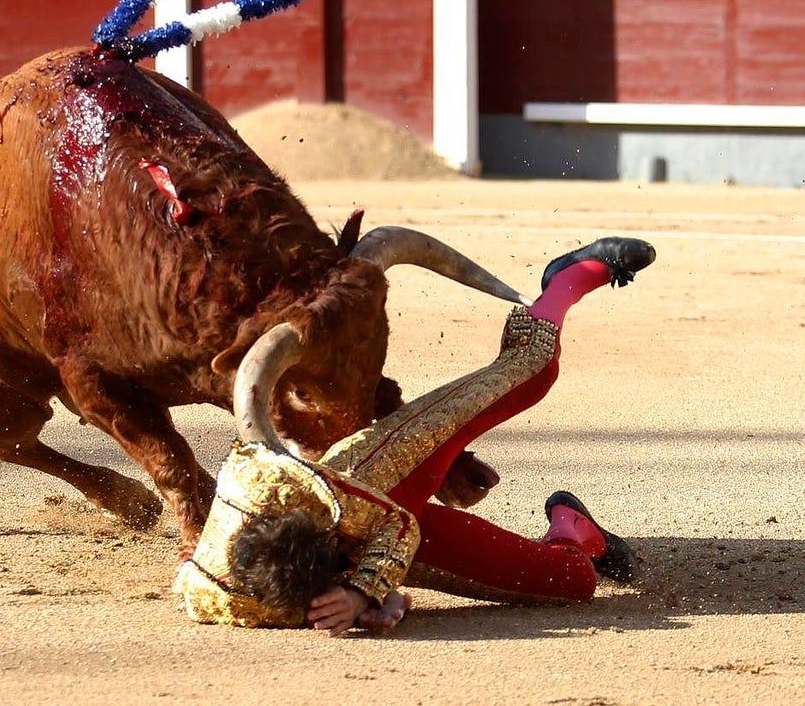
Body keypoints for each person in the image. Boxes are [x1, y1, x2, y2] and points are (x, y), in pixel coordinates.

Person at [172, 236, 657, 635]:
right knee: (571, 583)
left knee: (529, 370)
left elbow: (395, 526)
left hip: (381, 470)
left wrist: (362, 590)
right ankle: (574, 527)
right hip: (380, 540)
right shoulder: (211, 591)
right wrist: (380, 599)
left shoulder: (317, 496)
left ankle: (570, 276)